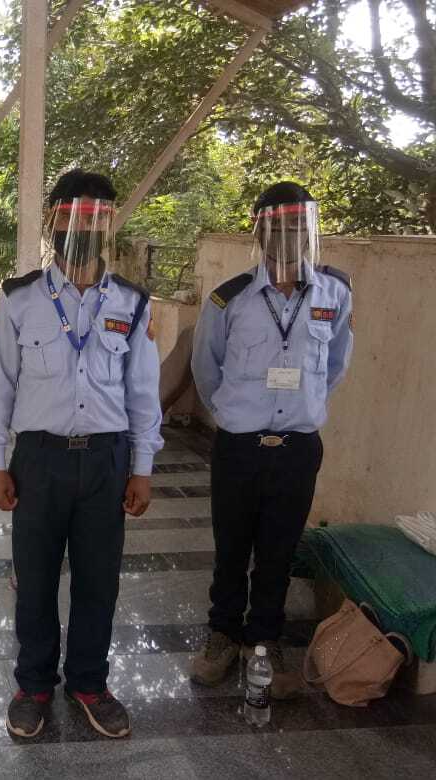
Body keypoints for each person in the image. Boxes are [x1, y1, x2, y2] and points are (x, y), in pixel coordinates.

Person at [0, 169, 163, 741]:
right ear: (54, 220)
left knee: (98, 582)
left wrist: (142, 467)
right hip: (39, 460)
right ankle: (32, 685)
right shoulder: (21, 299)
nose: (83, 229)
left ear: (109, 227)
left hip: (106, 461)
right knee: (33, 581)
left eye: (97, 219)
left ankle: (88, 682)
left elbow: (142, 391)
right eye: (74, 216)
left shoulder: (131, 303)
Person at [190, 182, 353, 698]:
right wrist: (235, 416)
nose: (286, 237)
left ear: (309, 232)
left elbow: (334, 365)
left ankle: (264, 639)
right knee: (232, 548)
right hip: (240, 446)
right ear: (258, 231)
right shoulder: (229, 297)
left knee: (279, 550)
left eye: (296, 227)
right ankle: (222, 635)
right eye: (275, 226)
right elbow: (205, 367)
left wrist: (301, 410)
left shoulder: (335, 293)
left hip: (298, 448)